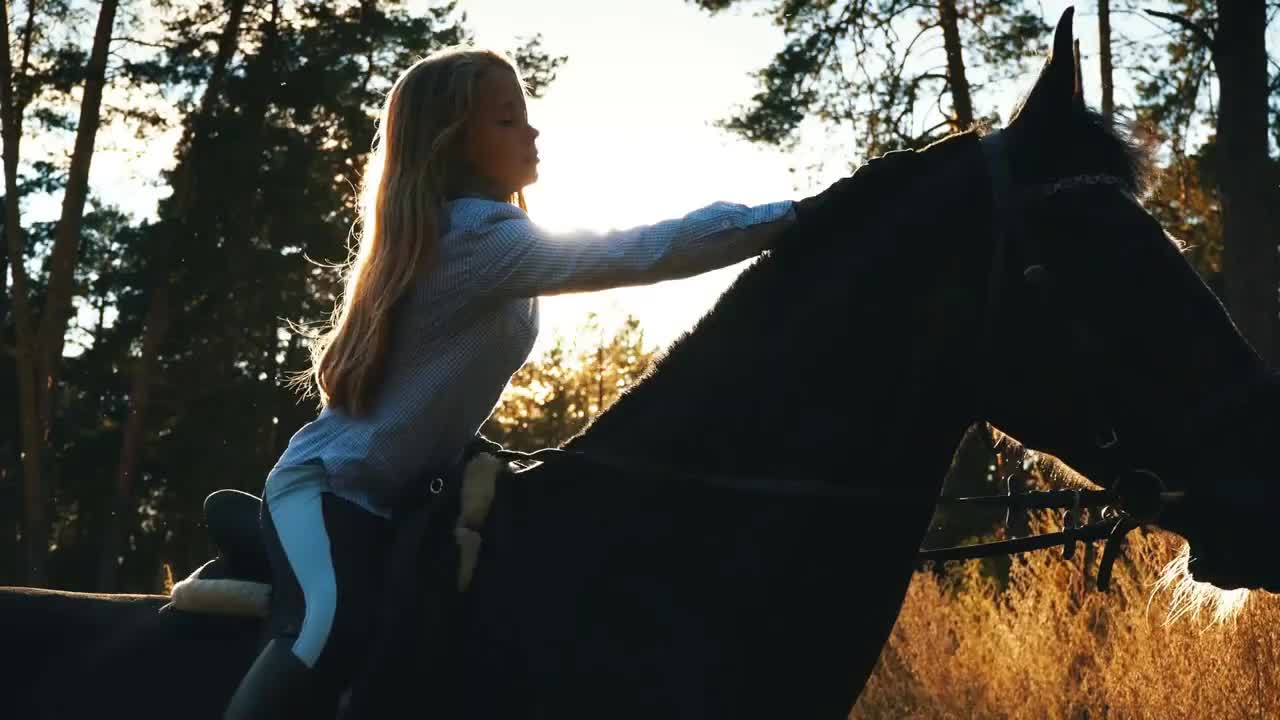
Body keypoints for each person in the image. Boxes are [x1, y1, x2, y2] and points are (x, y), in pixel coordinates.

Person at [222, 45, 922, 719]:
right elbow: (643, 249)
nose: (531, 130)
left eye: (525, 113)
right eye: (506, 118)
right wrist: (797, 217)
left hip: (410, 500)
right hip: (329, 490)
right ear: (451, 141)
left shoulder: (489, 237)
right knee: (331, 628)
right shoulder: (475, 239)